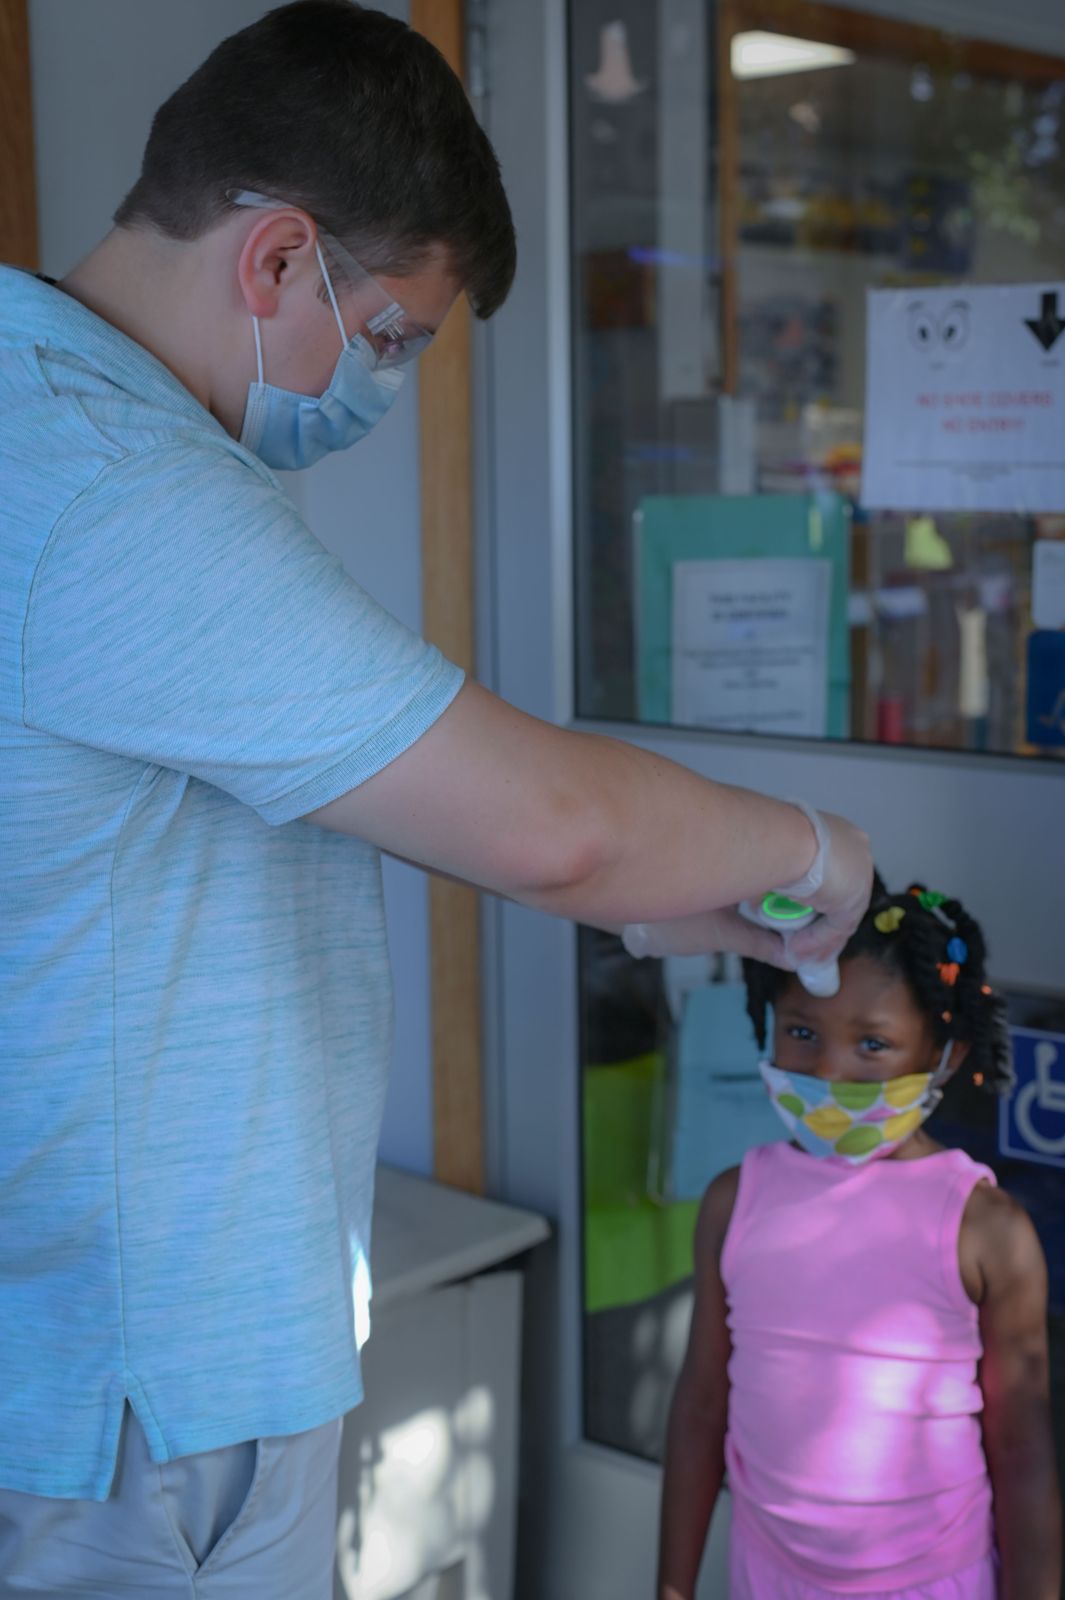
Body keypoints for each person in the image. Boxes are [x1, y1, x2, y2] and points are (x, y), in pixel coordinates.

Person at [0, 2, 872, 1594]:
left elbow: (429, 814)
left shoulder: (52, 420)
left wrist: (693, 905)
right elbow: (552, 822)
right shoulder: (121, 493)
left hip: (121, 1347)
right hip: (146, 1392)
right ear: (276, 260)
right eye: (390, 338)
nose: (379, 387)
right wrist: (816, 850)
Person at [657, 881, 1062, 1600]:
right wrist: (673, 1588)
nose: (830, 1071)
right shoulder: (733, 1203)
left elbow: (1022, 1452)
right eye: (801, 1032)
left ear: (943, 1051)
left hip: (933, 1581)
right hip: (766, 1571)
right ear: (766, 1021)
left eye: (871, 1043)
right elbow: (699, 1406)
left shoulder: (986, 1230)